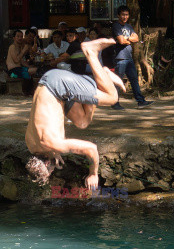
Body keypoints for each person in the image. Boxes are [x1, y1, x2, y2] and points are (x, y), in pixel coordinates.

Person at [25, 38, 126, 189]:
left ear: (46, 162)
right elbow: (45, 135)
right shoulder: (32, 145)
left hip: (57, 84)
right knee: (83, 122)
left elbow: (91, 149)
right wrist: (54, 153)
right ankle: (99, 79)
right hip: (49, 87)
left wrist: (93, 173)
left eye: (51, 170)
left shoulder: (55, 144)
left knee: (112, 97)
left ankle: (91, 52)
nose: (54, 171)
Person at [111, 5, 154, 110]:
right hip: (120, 58)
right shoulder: (116, 26)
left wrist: (126, 39)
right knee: (118, 81)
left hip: (129, 57)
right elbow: (121, 41)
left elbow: (137, 38)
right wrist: (128, 39)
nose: (125, 17)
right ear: (118, 15)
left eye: (127, 14)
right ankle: (114, 102)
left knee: (134, 79)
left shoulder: (129, 26)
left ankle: (141, 101)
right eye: (123, 14)